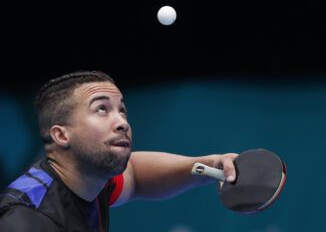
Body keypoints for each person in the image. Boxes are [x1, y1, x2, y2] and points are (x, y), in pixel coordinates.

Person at [0, 70, 239, 232]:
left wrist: (211, 165)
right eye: (102, 109)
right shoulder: (27, 219)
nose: (122, 122)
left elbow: (135, 175)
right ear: (62, 135)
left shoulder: (91, 181)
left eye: (122, 110)